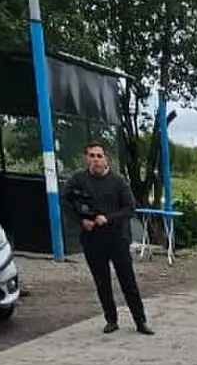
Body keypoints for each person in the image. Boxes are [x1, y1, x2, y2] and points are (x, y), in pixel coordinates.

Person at [63, 141, 152, 335]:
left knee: (127, 281)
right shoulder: (78, 180)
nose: (95, 160)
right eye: (92, 156)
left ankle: (140, 321)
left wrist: (108, 218)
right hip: (92, 239)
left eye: (99, 156)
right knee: (102, 281)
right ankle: (111, 319)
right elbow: (66, 202)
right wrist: (81, 221)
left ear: (106, 159)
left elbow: (129, 209)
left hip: (117, 238)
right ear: (86, 158)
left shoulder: (118, 181)